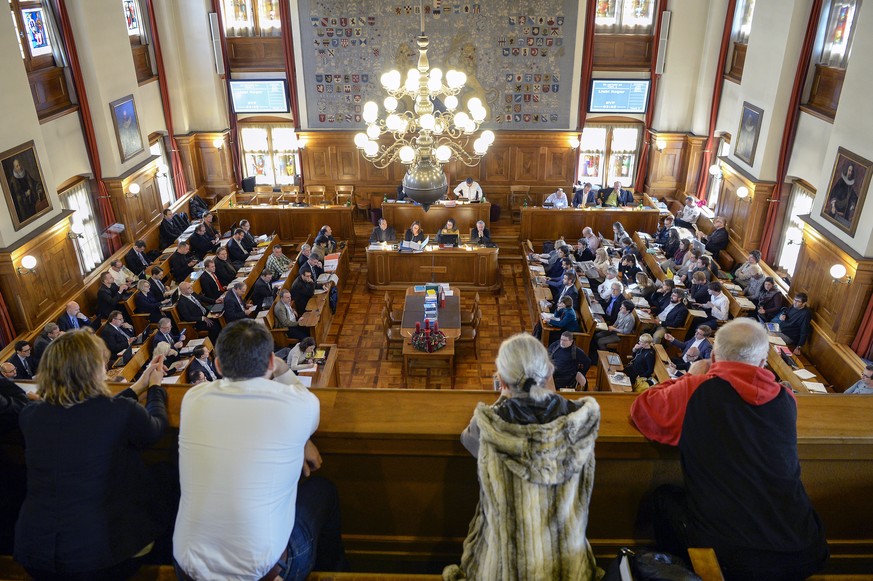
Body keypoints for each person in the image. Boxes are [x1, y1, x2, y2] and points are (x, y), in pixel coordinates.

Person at [630, 318, 829, 581]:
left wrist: (692, 375)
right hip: (805, 546)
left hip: (734, 555)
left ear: (713, 356)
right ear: (762, 363)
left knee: (663, 498)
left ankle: (685, 572)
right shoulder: (786, 399)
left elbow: (642, 410)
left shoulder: (696, 389)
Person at [174, 320, 347, 580]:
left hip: (187, 570)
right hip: (268, 573)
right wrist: (282, 369)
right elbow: (300, 393)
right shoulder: (299, 405)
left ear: (218, 365)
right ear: (270, 362)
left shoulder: (193, 399)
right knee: (324, 491)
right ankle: (335, 571)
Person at [15, 331, 174, 581]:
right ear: (94, 369)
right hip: (99, 557)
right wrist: (155, 389)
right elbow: (154, 429)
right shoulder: (119, 412)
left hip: (35, 552)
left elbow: (88, 419)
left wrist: (138, 386)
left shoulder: (31, 415)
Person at [445, 333, 599, 580]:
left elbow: (468, 440)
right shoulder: (580, 422)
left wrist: (504, 397)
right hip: (568, 566)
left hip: (503, 567)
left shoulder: (487, 425)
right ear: (549, 373)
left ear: (502, 381)